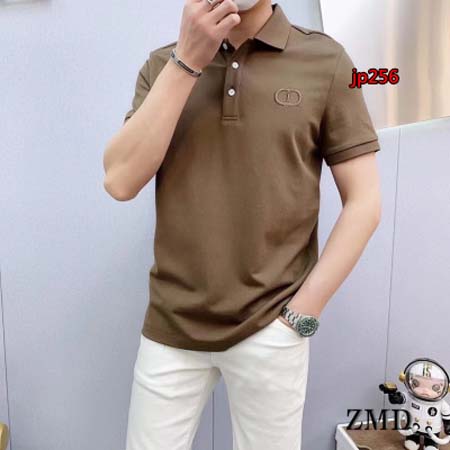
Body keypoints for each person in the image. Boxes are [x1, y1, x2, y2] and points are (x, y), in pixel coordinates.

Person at [102, 0, 382, 448]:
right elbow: (119, 181)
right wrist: (187, 60)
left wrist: (302, 314)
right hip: (172, 324)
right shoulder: (162, 65)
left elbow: (364, 203)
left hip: (272, 322)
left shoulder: (326, 61)